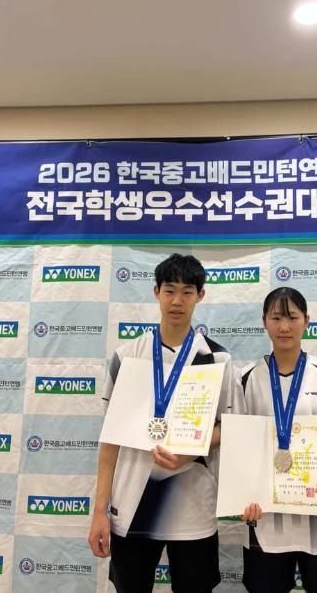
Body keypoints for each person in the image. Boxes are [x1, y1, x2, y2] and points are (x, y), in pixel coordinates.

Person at [88, 253, 233, 593]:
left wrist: (190, 451)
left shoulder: (217, 358)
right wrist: (99, 511)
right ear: (156, 292)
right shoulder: (127, 356)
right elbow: (110, 440)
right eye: (169, 290)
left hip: (193, 509)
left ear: (200, 295)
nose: (177, 301)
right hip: (130, 507)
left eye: (187, 291)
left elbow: (229, 426)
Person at [239, 287, 317, 593]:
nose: (284, 326)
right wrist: (240, 495)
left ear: (306, 321)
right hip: (264, 517)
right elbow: (239, 446)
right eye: (276, 318)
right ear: (264, 322)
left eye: (292, 317)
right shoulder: (246, 378)